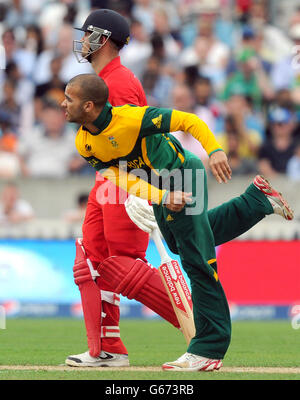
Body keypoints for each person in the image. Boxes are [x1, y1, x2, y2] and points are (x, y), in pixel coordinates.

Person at [62, 73, 294, 371]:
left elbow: (189, 121)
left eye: (70, 99)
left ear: (90, 106)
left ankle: (208, 349)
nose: (63, 103)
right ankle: (255, 202)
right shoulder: (85, 142)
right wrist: (160, 196)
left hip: (183, 173)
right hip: (161, 186)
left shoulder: (132, 119)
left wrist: (215, 150)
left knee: (197, 259)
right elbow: (117, 177)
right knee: (180, 242)